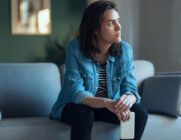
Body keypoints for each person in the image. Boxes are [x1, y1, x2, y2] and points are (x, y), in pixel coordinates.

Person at [50, 1, 148, 140]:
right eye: (110, 23)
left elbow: (130, 88)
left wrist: (128, 100)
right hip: (75, 107)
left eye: (118, 21)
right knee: (84, 111)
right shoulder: (75, 48)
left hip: (107, 106)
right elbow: (77, 93)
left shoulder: (125, 50)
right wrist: (107, 103)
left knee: (139, 111)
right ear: (95, 29)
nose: (118, 27)